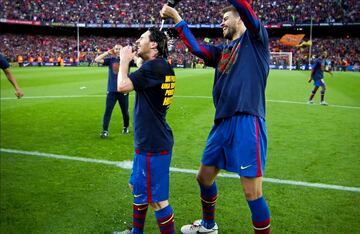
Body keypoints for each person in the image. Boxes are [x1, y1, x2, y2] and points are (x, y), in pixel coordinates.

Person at [161, 0, 271, 233]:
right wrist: (177, 17)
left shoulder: (256, 39)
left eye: (226, 17)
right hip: (222, 123)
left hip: (247, 120)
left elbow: (242, 5)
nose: (221, 22)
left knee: (252, 192)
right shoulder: (221, 52)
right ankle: (209, 225)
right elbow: (197, 49)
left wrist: (238, 6)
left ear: (240, 17)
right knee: (204, 177)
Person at [115, 27, 176, 234]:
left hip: (153, 143)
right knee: (138, 189)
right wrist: (137, 58)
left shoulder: (155, 68)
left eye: (142, 38)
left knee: (158, 201)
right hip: (149, 140)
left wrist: (124, 60)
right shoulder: (160, 66)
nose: (137, 41)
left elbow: (122, 86)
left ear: (154, 45)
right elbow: (144, 67)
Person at [95, 45, 130, 138]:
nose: (118, 50)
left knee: (125, 111)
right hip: (112, 90)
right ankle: (105, 130)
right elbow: (97, 60)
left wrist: (128, 54)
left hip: (123, 90)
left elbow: (140, 62)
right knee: (108, 111)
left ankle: (126, 127)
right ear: (113, 50)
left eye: (120, 49)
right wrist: (107, 53)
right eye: (116, 49)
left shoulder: (127, 60)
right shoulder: (110, 60)